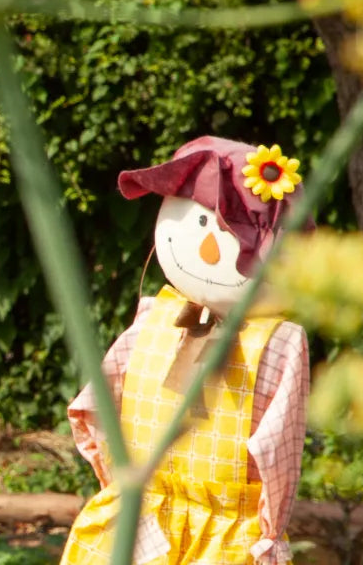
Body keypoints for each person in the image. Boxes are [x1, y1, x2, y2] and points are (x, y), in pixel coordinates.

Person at [62, 137, 311, 565]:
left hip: (218, 538)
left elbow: (92, 410)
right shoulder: (156, 318)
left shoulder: (275, 343)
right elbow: (95, 405)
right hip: (140, 516)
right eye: (201, 224)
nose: (211, 248)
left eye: (231, 234)